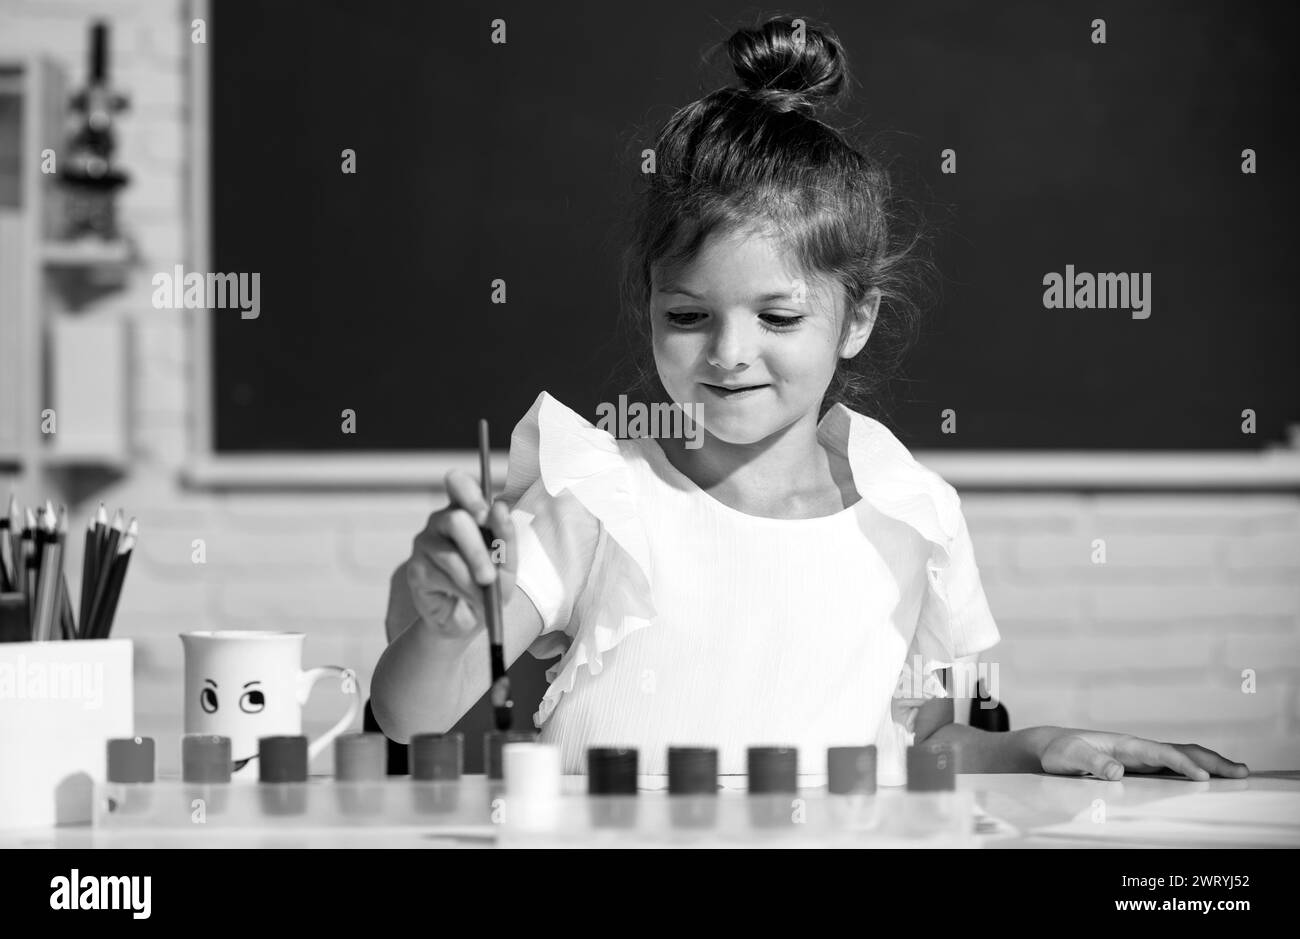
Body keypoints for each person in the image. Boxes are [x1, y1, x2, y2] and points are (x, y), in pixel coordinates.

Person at [372, 15, 1248, 784]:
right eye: (687, 314)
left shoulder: (914, 520)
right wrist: (448, 632)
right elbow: (411, 718)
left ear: (855, 317)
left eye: (779, 315)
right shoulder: (595, 499)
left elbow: (929, 742)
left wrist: (1039, 744)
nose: (727, 352)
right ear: (648, 305)